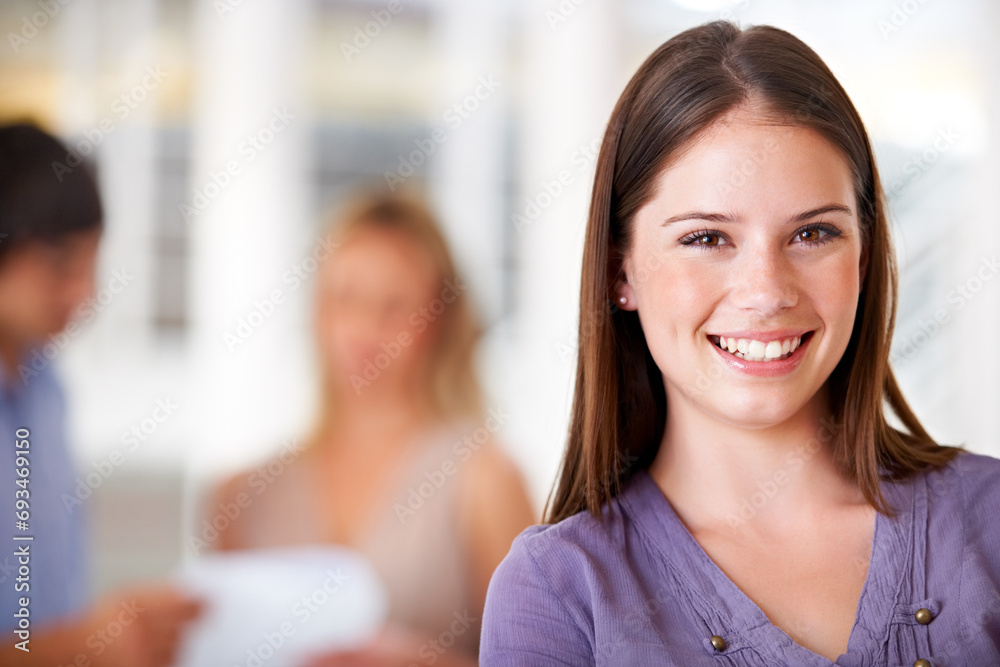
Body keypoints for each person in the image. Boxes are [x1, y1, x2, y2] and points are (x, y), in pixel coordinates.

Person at [480, 20, 1000, 667]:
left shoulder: (991, 523)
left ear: (863, 257)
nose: (766, 292)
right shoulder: (558, 592)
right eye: (706, 238)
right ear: (622, 271)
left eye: (812, 234)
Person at [204, 191, 536, 666]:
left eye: (395, 305)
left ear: (439, 320)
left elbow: (544, 659)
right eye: (347, 299)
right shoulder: (240, 496)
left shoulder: (486, 481)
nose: (366, 328)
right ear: (317, 311)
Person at [0, 122, 202, 666]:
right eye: (61, 263)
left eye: (93, 264)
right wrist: (83, 648)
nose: (84, 294)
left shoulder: (45, 388)